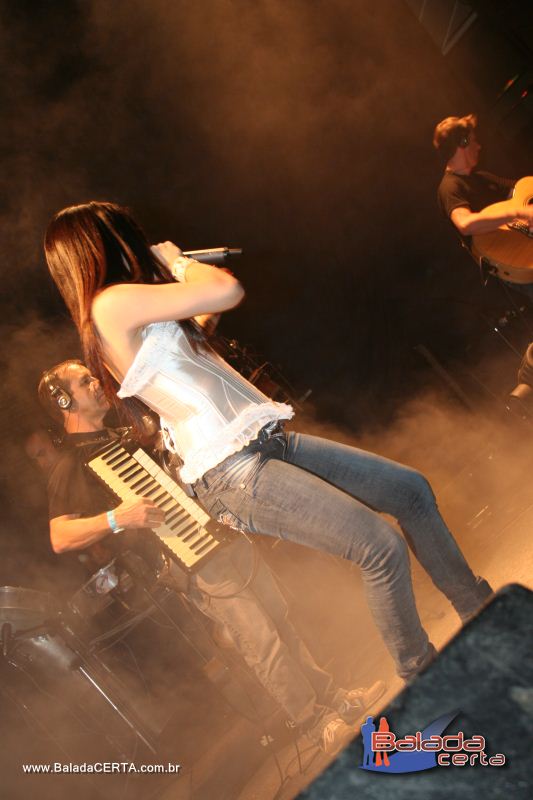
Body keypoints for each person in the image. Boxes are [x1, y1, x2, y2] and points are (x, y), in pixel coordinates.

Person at [44, 201, 493, 686]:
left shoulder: (120, 309)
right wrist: (176, 262)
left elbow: (195, 335)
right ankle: (425, 678)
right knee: (378, 547)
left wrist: (189, 298)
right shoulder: (109, 304)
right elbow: (227, 289)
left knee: (410, 492)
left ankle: (482, 614)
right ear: (107, 243)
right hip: (231, 467)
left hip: (260, 441)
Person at [38, 357, 386, 754]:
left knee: (280, 620)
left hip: (220, 533)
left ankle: (334, 698)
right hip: (189, 559)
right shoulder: (70, 463)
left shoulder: (118, 436)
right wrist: (119, 518)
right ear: (64, 401)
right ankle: (315, 724)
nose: (96, 383)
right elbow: (60, 535)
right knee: (261, 642)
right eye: (84, 382)